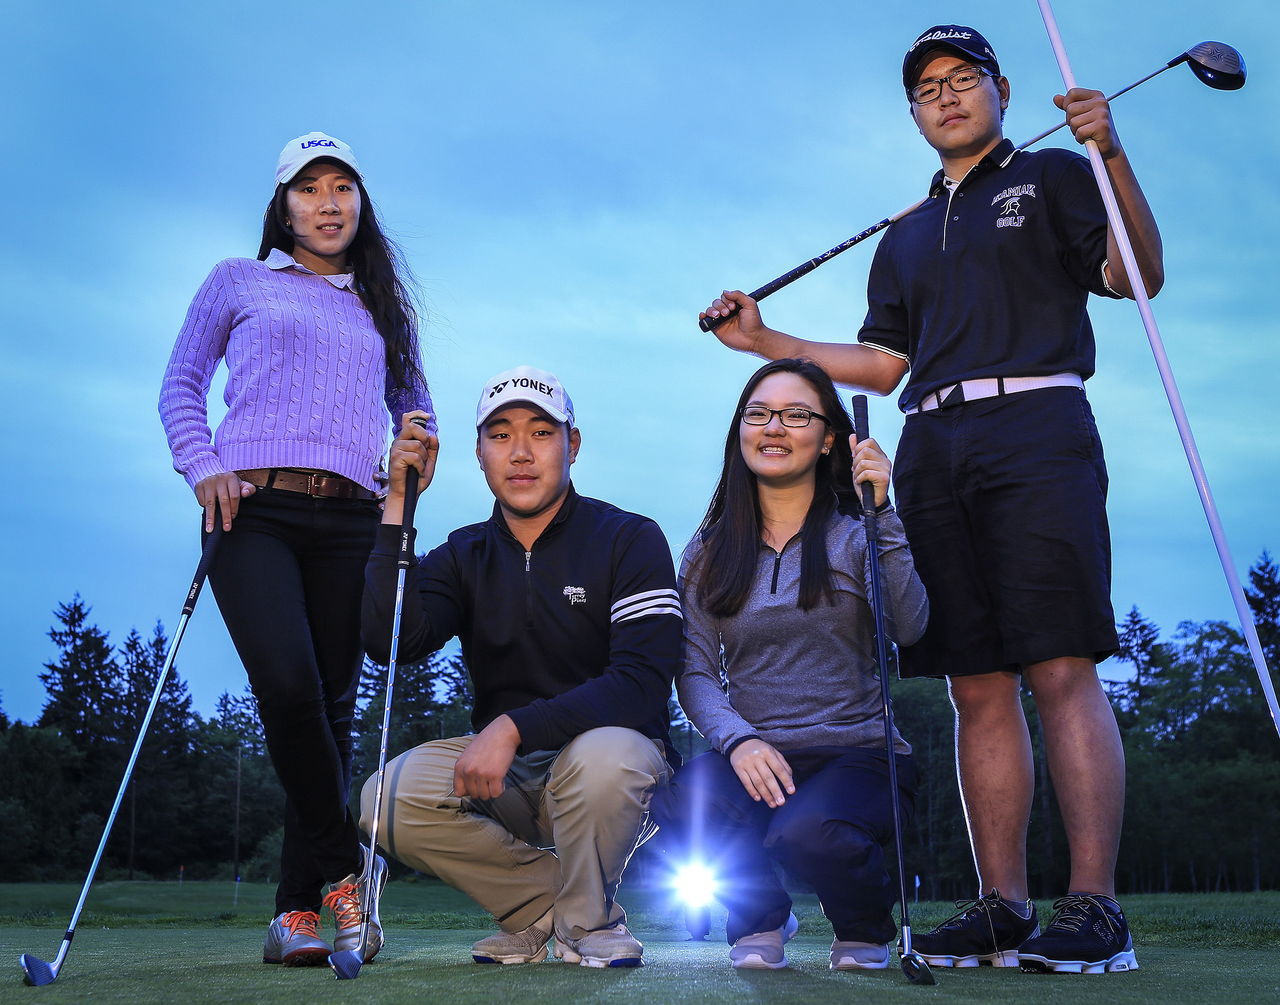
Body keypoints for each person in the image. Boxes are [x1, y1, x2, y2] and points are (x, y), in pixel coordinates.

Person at [698, 25, 1163, 975]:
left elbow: (1136, 276)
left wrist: (1108, 151)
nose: (946, 97)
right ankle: (1004, 906)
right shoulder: (906, 231)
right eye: (927, 89)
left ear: (999, 88)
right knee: (974, 681)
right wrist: (764, 343)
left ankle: (1097, 908)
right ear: (914, 115)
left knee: (1059, 664)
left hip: (1038, 424)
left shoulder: (1057, 176)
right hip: (933, 445)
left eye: (963, 80)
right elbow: (884, 361)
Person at [159, 132, 434, 967]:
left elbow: (413, 401)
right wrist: (203, 466)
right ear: (282, 206)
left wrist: (414, 444)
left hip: (352, 518)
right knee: (287, 685)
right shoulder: (237, 280)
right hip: (252, 509)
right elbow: (180, 385)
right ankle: (346, 874)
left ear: (361, 204)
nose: (327, 203)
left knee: (331, 709)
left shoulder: (384, 304)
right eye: (308, 188)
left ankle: (294, 916)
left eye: (342, 187)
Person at [360, 365, 681, 969]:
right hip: (507, 781)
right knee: (384, 795)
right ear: (479, 454)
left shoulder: (629, 538)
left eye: (541, 432)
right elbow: (388, 640)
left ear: (573, 445)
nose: (521, 453)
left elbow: (640, 686)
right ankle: (542, 912)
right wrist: (398, 503)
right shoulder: (463, 554)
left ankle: (589, 922)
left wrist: (511, 728)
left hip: (609, 771)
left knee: (607, 752)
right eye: (501, 435)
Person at [660, 358, 928, 971]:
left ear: (829, 437)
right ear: (740, 434)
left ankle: (863, 926)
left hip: (860, 755)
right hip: (758, 752)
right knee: (679, 801)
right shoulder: (707, 551)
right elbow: (695, 672)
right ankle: (762, 917)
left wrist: (882, 513)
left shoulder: (857, 533)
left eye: (796, 415)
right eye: (759, 414)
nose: (774, 427)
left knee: (806, 832)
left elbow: (910, 627)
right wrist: (739, 740)